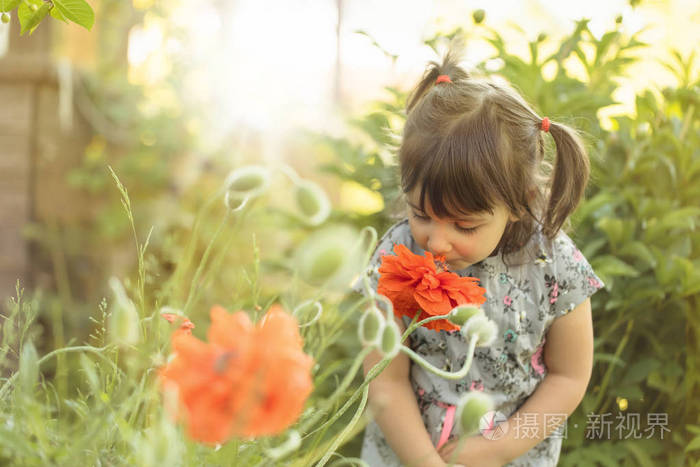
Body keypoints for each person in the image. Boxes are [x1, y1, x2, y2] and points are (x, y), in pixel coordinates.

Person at [351, 48, 604, 467]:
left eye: (464, 226)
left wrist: (499, 447)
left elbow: (570, 376)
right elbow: (385, 381)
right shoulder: (398, 257)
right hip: (407, 453)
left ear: (519, 203)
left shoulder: (555, 266)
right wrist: (424, 461)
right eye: (420, 214)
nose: (436, 241)